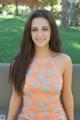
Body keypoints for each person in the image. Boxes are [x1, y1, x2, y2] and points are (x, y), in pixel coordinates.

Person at [7, 9, 74, 120]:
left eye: (45, 29)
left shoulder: (64, 60)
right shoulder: (19, 62)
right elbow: (16, 96)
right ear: (29, 32)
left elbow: (67, 95)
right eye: (34, 30)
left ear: (51, 31)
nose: (39, 34)